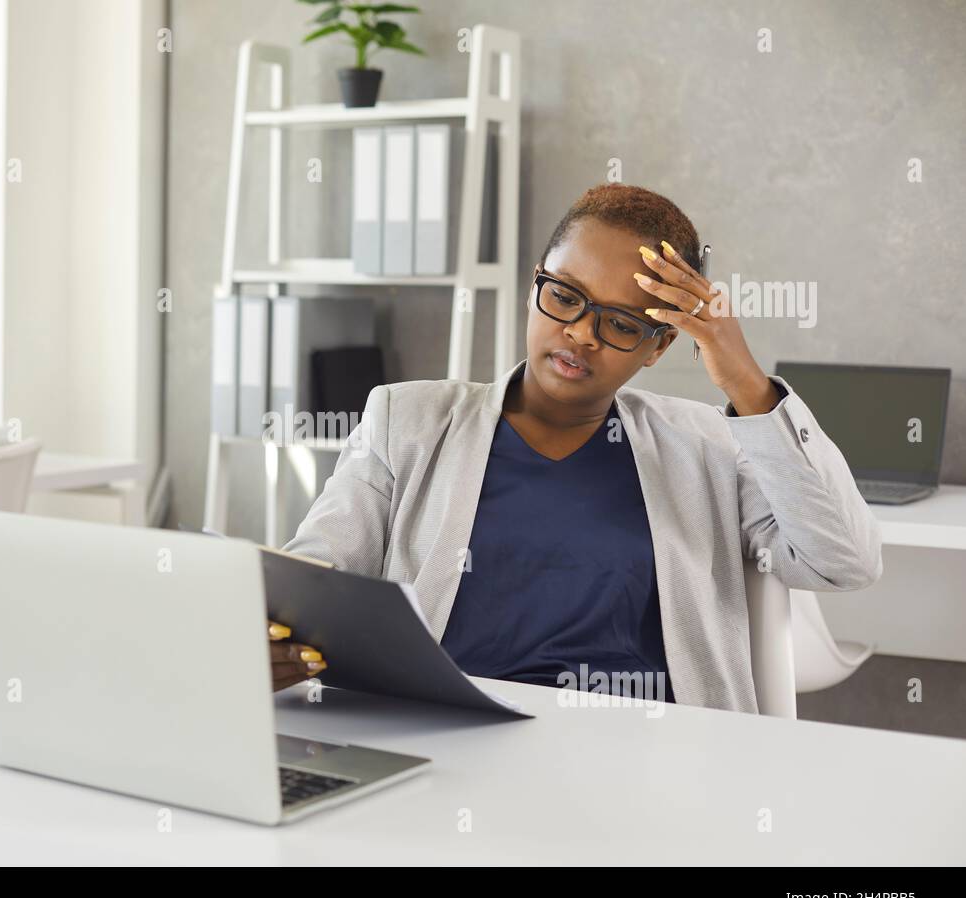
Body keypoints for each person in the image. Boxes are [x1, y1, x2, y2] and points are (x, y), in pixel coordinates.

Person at [268, 183, 881, 713]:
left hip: (649, 762)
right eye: (564, 294)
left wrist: (745, 380)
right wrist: (271, 639)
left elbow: (844, 559)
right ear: (535, 281)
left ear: (658, 346)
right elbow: (310, 584)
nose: (580, 333)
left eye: (621, 323)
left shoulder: (711, 446)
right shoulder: (408, 421)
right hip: (447, 741)